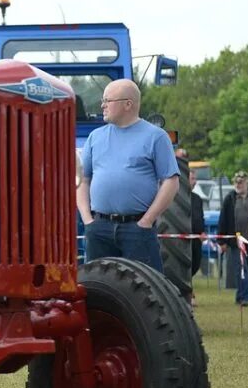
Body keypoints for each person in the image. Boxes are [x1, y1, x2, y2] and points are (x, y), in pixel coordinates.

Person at [77, 79, 180, 272]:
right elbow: (83, 180)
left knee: (145, 293)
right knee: (96, 289)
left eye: (108, 100)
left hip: (137, 230)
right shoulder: (95, 137)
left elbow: (171, 182)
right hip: (99, 228)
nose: (102, 105)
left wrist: (147, 221)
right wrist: (87, 220)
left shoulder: (156, 137)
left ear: (128, 104)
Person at [218, 171, 248, 307]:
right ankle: (246, 298)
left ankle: (240, 296)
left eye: (240, 182)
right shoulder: (230, 199)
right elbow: (223, 220)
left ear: (247, 182)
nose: (238, 185)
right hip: (236, 243)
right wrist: (221, 241)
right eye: (236, 182)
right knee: (241, 270)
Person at [189, 168, 205, 307]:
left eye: (195, 178)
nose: (195, 181)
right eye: (192, 178)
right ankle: (189, 293)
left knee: (195, 265)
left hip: (196, 239)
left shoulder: (197, 199)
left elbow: (201, 218)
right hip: (182, 239)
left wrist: (202, 232)